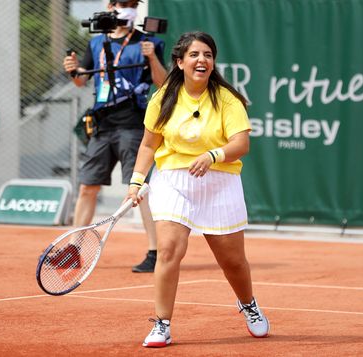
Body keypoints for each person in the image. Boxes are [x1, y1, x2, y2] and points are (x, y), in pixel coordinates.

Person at [126, 31, 270, 347]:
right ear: (179, 62)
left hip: (219, 182)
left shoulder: (227, 99)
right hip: (174, 182)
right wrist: (137, 180)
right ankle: (161, 323)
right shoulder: (162, 98)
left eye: (207, 55)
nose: (201, 60)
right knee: (168, 250)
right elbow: (150, 144)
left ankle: (248, 305)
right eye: (194, 55)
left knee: (232, 261)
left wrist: (213, 155)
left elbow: (240, 143)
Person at [63, 0, 167, 273]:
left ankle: (155, 253)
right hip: (102, 125)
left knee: (138, 190)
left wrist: (152, 57)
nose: (126, 8)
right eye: (121, 3)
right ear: (110, 6)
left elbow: (163, 83)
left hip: (134, 125)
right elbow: (81, 80)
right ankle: (73, 250)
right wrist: (73, 69)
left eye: (131, 3)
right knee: (87, 187)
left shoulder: (148, 41)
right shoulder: (98, 43)